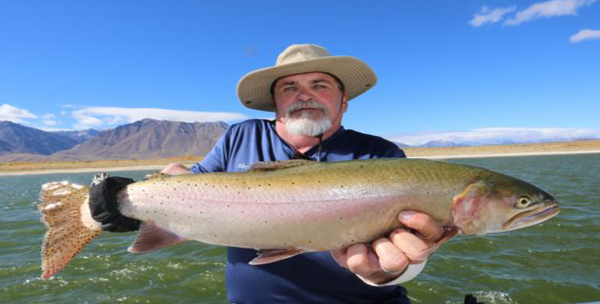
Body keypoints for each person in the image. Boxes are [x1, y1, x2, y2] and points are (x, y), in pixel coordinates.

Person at [90, 44, 446, 303]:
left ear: (344, 100)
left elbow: (406, 253)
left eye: (319, 84)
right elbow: (191, 179)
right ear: (276, 102)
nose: (304, 95)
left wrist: (387, 273)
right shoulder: (240, 135)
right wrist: (117, 200)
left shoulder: (381, 155)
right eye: (289, 87)